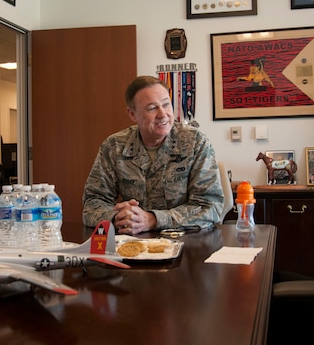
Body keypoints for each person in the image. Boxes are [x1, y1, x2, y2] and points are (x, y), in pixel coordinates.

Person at [82, 76, 224, 234]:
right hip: (132, 245)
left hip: (188, 244)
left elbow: (210, 206)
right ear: (132, 114)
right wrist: (117, 218)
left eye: (166, 104)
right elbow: (92, 203)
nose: (163, 114)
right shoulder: (115, 146)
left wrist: (153, 219)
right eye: (151, 108)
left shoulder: (195, 142)